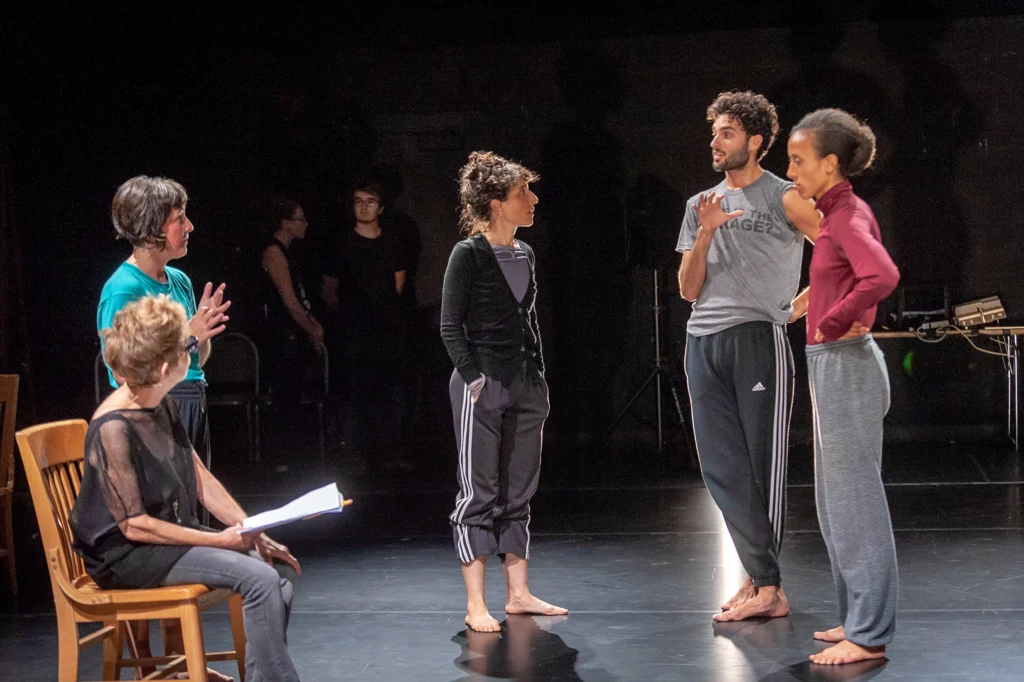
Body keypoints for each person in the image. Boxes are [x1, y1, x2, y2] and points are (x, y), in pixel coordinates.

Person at [72, 295, 301, 682]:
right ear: (165, 367)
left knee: (273, 571)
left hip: (160, 539)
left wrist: (250, 529)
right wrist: (223, 542)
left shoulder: (160, 402)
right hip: (127, 556)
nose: (193, 351)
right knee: (259, 579)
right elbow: (133, 526)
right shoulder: (113, 427)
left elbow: (200, 479)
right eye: (188, 347)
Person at [676, 91, 820, 622]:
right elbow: (689, 290)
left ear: (756, 141)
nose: (715, 142)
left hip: (758, 340)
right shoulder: (701, 205)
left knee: (762, 468)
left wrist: (795, 308)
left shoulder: (784, 197)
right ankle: (759, 580)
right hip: (702, 341)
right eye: (714, 132)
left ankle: (767, 585)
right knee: (721, 469)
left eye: (727, 133)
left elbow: (839, 249)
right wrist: (707, 232)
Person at [96, 175, 232, 675]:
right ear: (153, 227)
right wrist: (190, 337)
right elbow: (126, 374)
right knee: (158, 532)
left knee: (190, 524)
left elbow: (194, 363)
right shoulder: (122, 288)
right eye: (180, 219)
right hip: (147, 419)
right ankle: (152, 666)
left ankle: (178, 664)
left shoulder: (178, 281)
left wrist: (202, 332)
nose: (189, 226)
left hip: (188, 403)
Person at [786, 108, 900, 665]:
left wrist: (834, 318)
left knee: (855, 501)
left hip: (845, 364)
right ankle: (855, 617)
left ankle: (870, 635)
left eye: (799, 161)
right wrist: (819, 296)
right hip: (832, 363)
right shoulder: (835, 215)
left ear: (830, 164)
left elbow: (882, 275)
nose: (792, 172)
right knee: (835, 502)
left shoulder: (847, 213)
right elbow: (850, 272)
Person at [440, 151, 567, 633]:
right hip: (483, 385)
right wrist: (474, 379)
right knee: (480, 492)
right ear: (496, 203)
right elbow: (451, 327)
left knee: (518, 490)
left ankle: (519, 595)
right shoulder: (467, 254)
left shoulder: (526, 253)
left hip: (524, 383)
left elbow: (527, 319)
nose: (532, 200)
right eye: (522, 193)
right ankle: (476, 603)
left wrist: (536, 377)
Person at [321, 181, 410, 473]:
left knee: (389, 392)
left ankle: (389, 453)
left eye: (370, 201)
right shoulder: (342, 243)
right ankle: (355, 455)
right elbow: (330, 289)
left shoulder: (391, 242)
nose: (363, 206)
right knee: (355, 393)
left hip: (385, 329)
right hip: (353, 331)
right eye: (358, 200)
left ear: (380, 208)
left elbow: (398, 284)